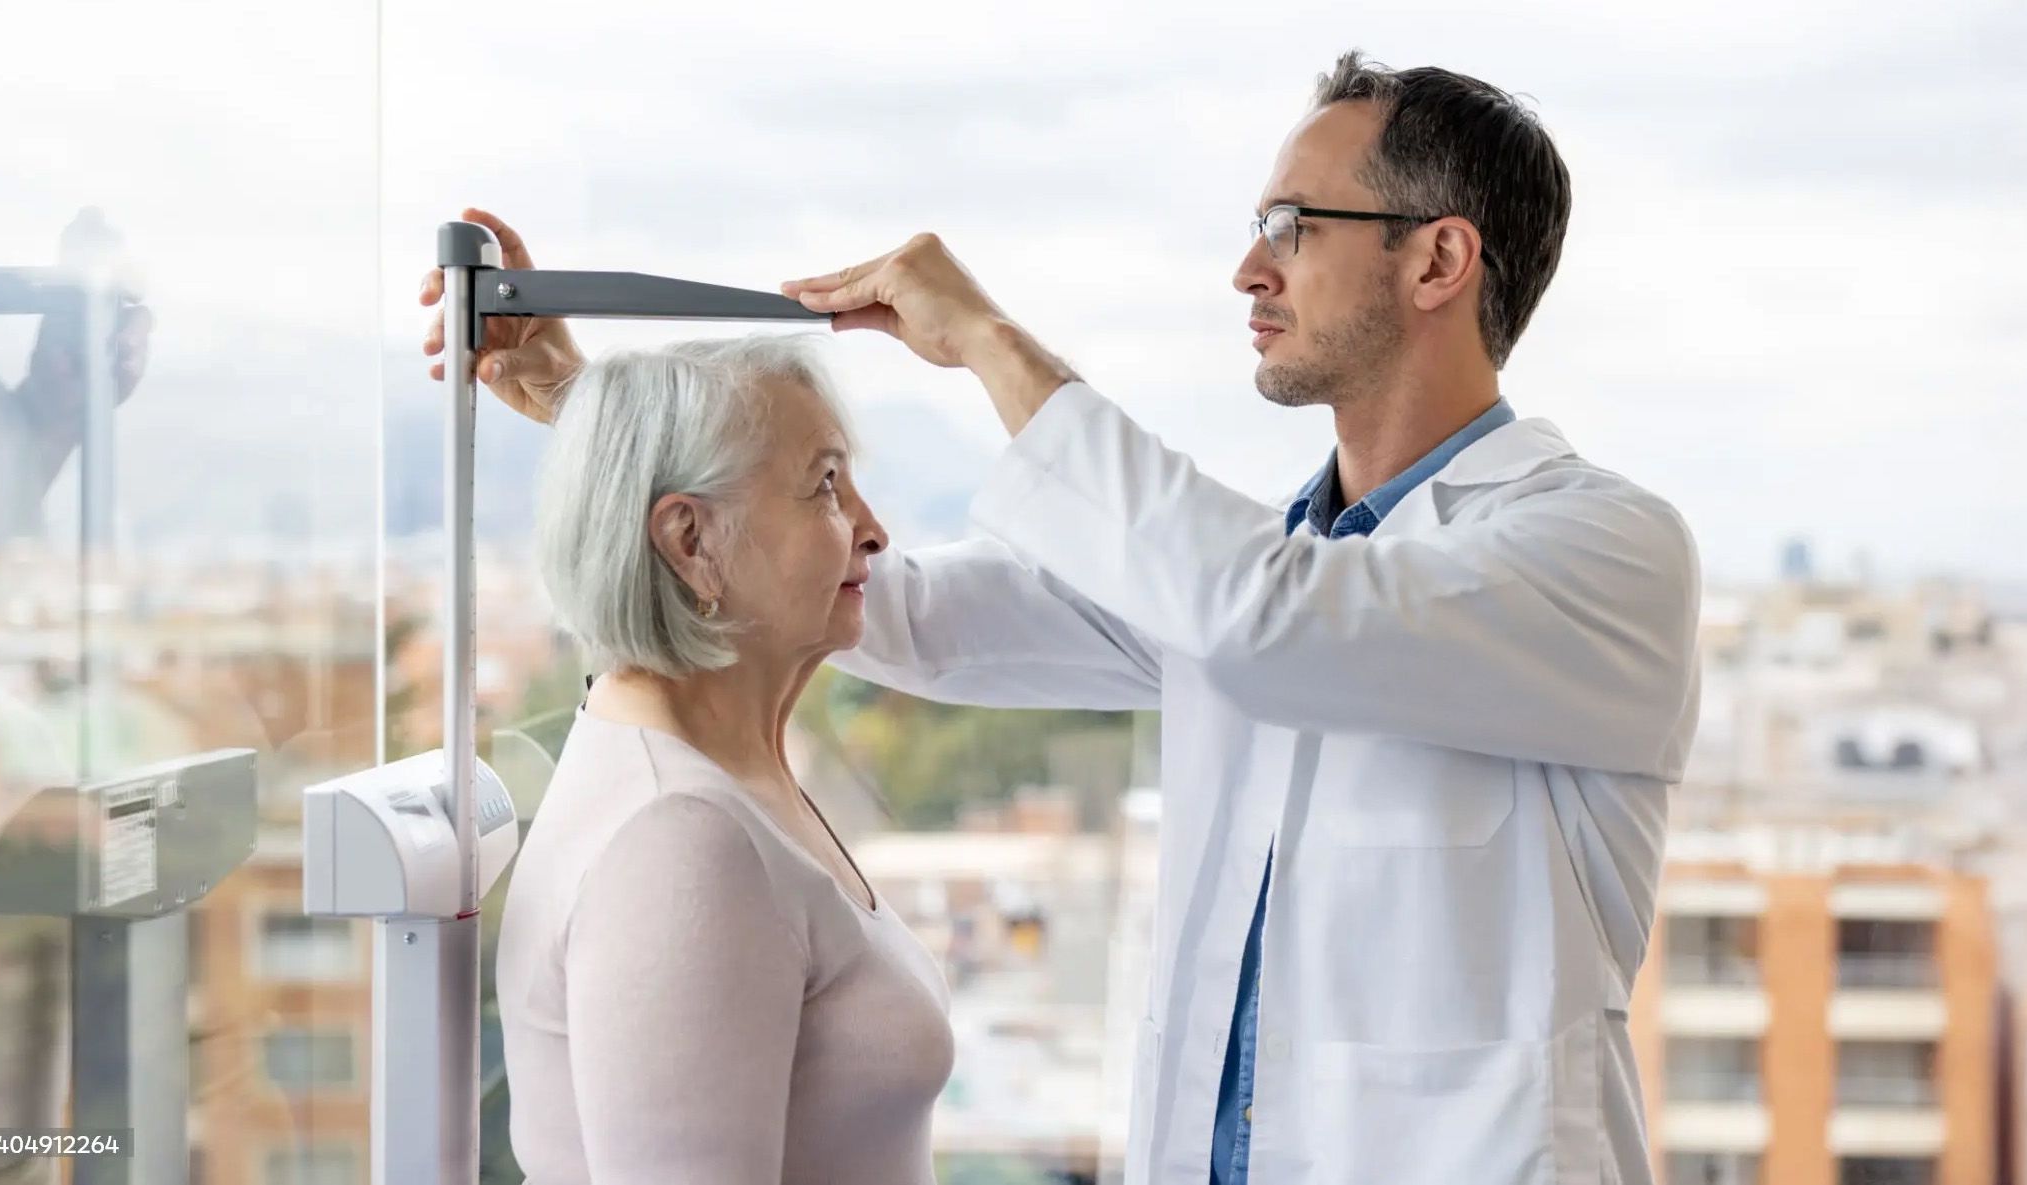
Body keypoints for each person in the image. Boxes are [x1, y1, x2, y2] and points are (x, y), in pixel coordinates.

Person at [427, 48, 1700, 1184]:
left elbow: (1278, 623)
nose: (1249, 268)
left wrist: (987, 341)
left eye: (1295, 227)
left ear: (1437, 260)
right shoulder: (1259, 574)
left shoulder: (1599, 560)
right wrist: (600, 418)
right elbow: (888, 602)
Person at [489, 337, 955, 1185]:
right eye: (826, 484)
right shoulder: (678, 842)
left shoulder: (719, 775)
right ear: (690, 540)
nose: (873, 530)